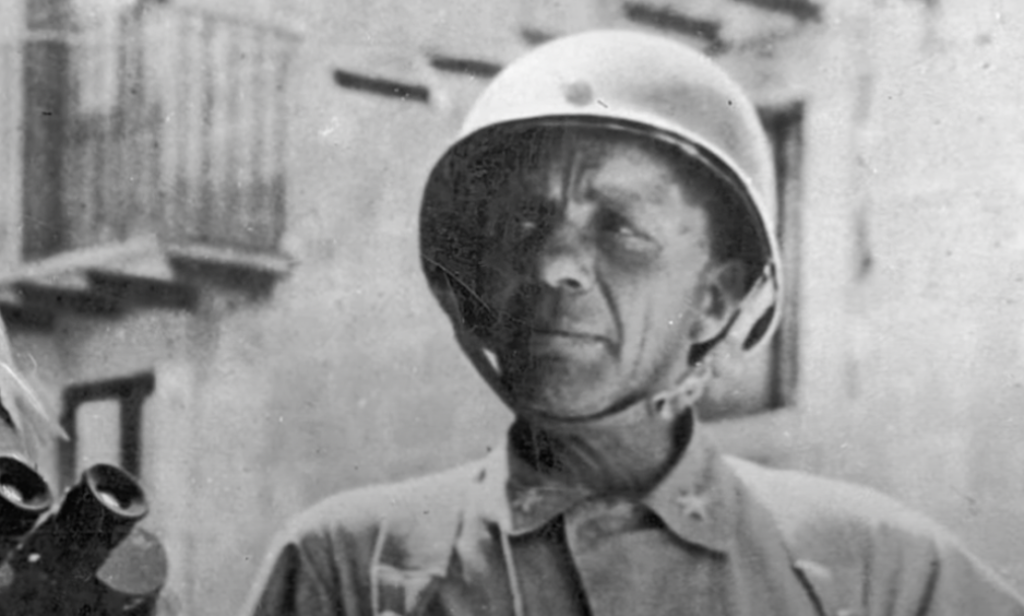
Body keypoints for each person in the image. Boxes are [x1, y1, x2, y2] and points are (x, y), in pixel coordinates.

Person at [243, 30, 1024, 616]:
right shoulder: (349, 566)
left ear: (716, 301)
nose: (555, 266)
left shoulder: (876, 573)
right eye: (523, 226)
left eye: (621, 228)